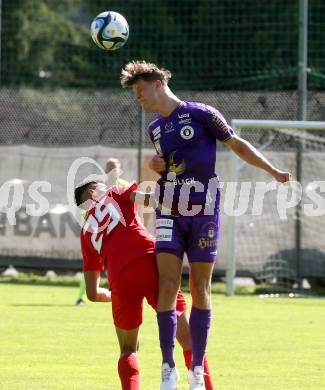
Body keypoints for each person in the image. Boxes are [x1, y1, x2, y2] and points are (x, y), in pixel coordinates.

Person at [120, 60, 292, 390]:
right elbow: (162, 169)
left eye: (140, 91)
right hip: (169, 208)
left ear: (157, 83)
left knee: (200, 289)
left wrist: (272, 171)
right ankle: (168, 368)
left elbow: (237, 144)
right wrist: (152, 165)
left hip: (204, 210)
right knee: (167, 285)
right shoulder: (154, 129)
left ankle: (196, 368)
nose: (138, 98)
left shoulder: (202, 114)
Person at [74, 180, 214, 390]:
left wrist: (116, 295)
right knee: (189, 339)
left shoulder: (86, 232)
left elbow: (92, 293)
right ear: (92, 192)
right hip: (150, 261)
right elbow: (150, 200)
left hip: (120, 280)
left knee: (128, 349)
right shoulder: (114, 191)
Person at [75, 157, 129, 306]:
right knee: (92, 266)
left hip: (120, 235)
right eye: (109, 168)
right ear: (104, 170)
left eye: (114, 168)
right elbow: (87, 210)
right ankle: (80, 297)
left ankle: (129, 294)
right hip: (100, 234)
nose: (111, 171)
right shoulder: (98, 187)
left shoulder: (125, 186)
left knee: (123, 265)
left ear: (119, 170)